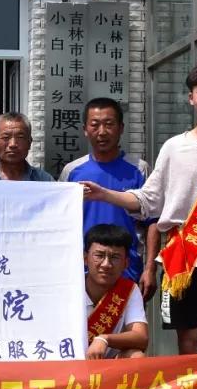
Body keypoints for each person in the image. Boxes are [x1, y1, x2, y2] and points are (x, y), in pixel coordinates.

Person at [81, 61, 197, 354]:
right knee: (189, 341)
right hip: (181, 259)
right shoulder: (173, 147)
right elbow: (148, 200)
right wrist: (106, 194)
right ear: (191, 98)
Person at [61, 98, 156, 294]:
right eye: (95, 125)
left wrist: (150, 268)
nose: (102, 132)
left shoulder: (139, 169)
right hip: (80, 274)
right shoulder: (72, 172)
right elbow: (60, 224)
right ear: (85, 129)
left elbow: (153, 223)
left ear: (121, 128)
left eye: (109, 124)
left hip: (127, 271)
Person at [81, 223, 149, 389]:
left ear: (125, 262)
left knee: (137, 359)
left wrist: (104, 338)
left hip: (108, 372)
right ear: (85, 257)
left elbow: (141, 337)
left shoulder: (128, 290)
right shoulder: (66, 288)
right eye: (99, 255)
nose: (106, 264)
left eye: (115, 257)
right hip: (66, 370)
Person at [0, 112, 53, 181]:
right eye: (6, 137)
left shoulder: (45, 181)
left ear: (29, 143)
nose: (13, 144)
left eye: (20, 137)